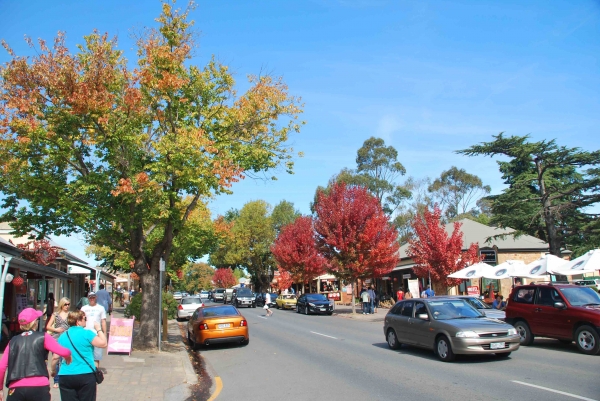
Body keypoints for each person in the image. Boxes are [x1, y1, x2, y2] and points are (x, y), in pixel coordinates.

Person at [0, 308, 72, 401]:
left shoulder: (12, 341)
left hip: (16, 386)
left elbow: (1, 367)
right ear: (34, 322)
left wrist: (0, 389)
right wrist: (68, 355)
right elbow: (63, 351)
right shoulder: (43, 337)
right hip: (39, 386)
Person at [53, 310, 107, 401]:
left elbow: (55, 357)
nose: (86, 320)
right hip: (85, 375)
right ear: (78, 321)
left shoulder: (63, 336)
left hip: (66, 375)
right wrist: (98, 329)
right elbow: (104, 343)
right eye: (85, 318)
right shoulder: (87, 333)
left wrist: (53, 370)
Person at [46, 297, 72, 388]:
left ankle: (65, 379)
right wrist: (55, 329)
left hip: (67, 339)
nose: (67, 306)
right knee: (56, 359)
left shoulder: (70, 314)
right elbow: (48, 326)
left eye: (69, 304)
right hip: (56, 338)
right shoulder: (55, 314)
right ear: (61, 304)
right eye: (65, 304)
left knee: (65, 359)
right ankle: (56, 380)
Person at [80, 293, 106, 369]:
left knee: (96, 356)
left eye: (93, 297)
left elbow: (103, 321)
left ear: (96, 297)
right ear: (88, 298)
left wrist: (104, 334)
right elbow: (80, 320)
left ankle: (95, 372)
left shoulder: (101, 308)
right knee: (85, 354)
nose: (92, 299)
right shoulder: (84, 308)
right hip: (85, 334)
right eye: (90, 297)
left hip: (96, 334)